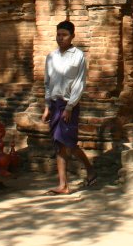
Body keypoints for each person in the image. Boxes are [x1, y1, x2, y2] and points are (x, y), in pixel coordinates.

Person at [41, 20, 96, 194]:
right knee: (58, 143)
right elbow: (48, 83)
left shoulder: (78, 56)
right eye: (58, 34)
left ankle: (90, 169)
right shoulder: (51, 57)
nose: (60, 38)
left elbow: (79, 83)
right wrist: (47, 106)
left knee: (69, 143)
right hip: (56, 104)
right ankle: (63, 184)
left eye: (64, 35)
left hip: (69, 104)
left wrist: (70, 107)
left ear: (72, 36)